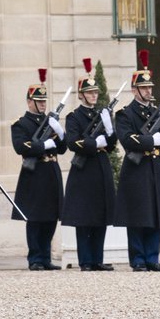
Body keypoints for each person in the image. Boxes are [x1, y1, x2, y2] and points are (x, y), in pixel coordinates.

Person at [114, 50, 160, 272]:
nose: (148, 91)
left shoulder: (158, 112)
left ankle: (152, 257)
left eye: (150, 88)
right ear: (134, 90)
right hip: (137, 169)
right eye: (144, 88)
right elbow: (127, 140)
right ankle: (138, 258)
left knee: (155, 213)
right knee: (139, 214)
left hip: (155, 167)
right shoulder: (125, 114)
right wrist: (150, 140)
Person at [62, 59, 116, 272]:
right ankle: (85, 260)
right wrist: (95, 143)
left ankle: (97, 258)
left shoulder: (101, 115)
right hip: (84, 170)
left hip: (100, 166)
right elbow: (72, 142)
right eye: (90, 92)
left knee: (100, 216)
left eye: (96, 92)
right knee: (85, 217)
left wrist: (110, 131)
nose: (94, 95)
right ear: (81, 95)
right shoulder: (74, 117)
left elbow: (111, 145)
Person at [11, 69, 65, 271]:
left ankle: (45, 257)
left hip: (51, 171)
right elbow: (20, 147)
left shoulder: (49, 121)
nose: (42, 104)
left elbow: (62, 148)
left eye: (44, 101)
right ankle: (35, 258)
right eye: (38, 101)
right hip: (34, 174)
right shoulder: (21, 123)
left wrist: (59, 133)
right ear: (29, 102)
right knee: (35, 218)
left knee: (51, 217)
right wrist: (43, 146)